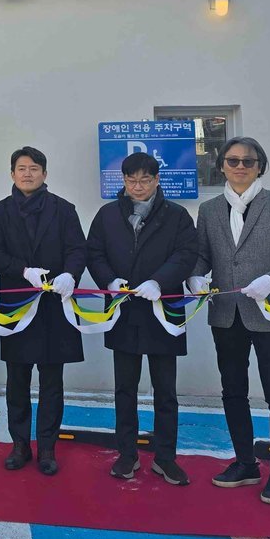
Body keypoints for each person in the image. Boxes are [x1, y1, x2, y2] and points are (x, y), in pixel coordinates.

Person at [192, 137, 270, 504]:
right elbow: (202, 255)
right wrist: (195, 277)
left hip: (269, 313)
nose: (240, 166)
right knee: (233, 391)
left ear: (260, 166)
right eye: (233, 160)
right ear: (222, 166)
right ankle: (245, 462)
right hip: (226, 314)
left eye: (248, 161)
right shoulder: (209, 210)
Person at [86, 152, 198, 484]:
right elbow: (94, 252)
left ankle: (166, 458)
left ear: (157, 180)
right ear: (123, 180)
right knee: (125, 388)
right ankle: (127, 455)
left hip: (163, 311)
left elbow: (186, 254)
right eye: (131, 180)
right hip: (124, 312)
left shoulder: (176, 215)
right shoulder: (107, 215)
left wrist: (159, 281)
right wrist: (109, 281)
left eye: (145, 180)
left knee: (165, 391)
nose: (138, 186)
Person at [0, 146, 86, 475]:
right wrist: (22, 270)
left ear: (45, 173)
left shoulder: (63, 209)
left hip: (55, 306)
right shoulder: (0, 211)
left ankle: (47, 448)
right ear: (12, 173)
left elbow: (77, 249)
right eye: (22, 168)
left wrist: (70, 274)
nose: (27, 174)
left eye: (34, 168)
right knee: (17, 379)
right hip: (17, 305)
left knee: (52, 381)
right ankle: (19, 445)